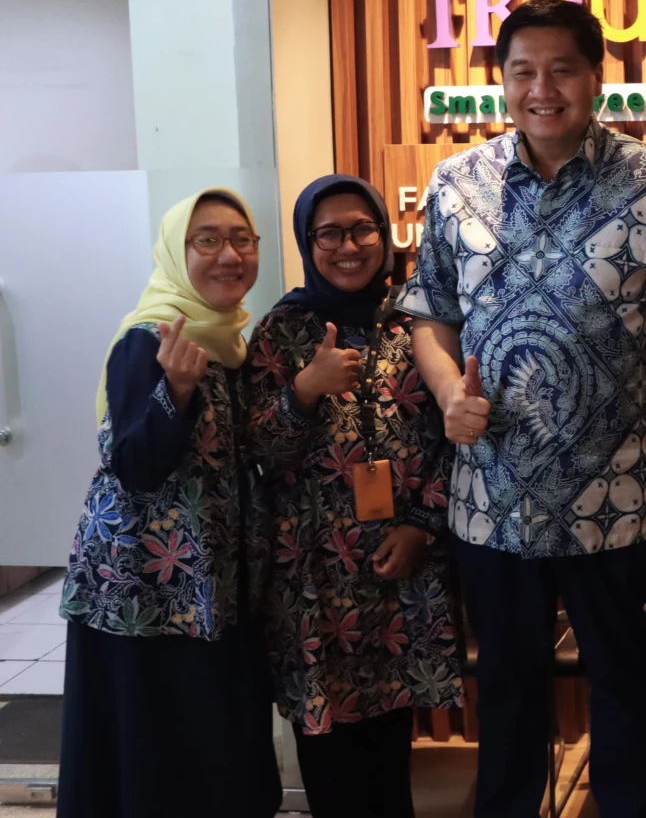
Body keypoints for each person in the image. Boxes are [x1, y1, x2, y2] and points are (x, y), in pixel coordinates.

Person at [397, 0, 646, 818]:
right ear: (502, 82)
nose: (542, 89)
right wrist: (447, 391)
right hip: (492, 498)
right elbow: (429, 314)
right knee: (508, 693)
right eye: (523, 72)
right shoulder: (456, 184)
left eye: (561, 70)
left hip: (614, 499)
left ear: (595, 79)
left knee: (621, 683)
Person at [57, 188, 281, 818]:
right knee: (155, 751)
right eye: (206, 240)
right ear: (177, 253)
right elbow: (132, 465)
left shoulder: (230, 341)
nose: (229, 255)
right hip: (146, 596)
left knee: (210, 745)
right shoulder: (149, 338)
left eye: (242, 239)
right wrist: (174, 392)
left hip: (213, 585)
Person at [245, 174, 463, 817]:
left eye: (363, 229)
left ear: (385, 236)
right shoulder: (280, 331)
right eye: (329, 233)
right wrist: (304, 390)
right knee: (329, 752)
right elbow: (259, 451)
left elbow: (454, 440)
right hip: (314, 575)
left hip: (401, 568)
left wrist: (422, 524)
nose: (348, 246)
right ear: (306, 241)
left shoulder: (419, 324)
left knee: (390, 749)